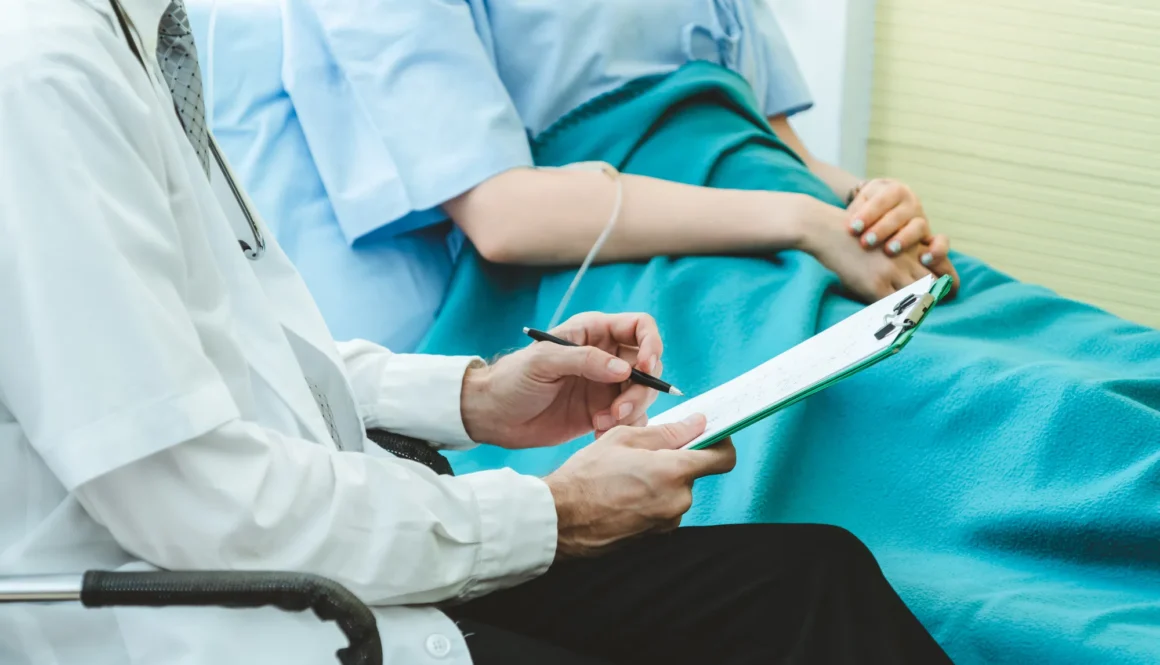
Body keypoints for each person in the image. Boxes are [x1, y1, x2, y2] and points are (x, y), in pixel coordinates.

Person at [0, 1, 957, 664]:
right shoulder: (45, 76)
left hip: (309, 544)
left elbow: (237, 344)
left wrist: (475, 395)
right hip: (210, 612)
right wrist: (554, 514)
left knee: (811, 576)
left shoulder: (140, 35)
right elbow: (193, 497)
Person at [249, 2, 1160, 662]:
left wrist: (861, 202)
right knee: (1000, 408)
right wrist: (796, 222)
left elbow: (777, 145)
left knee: (1094, 365)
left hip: (798, 225)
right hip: (638, 264)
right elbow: (503, 213)